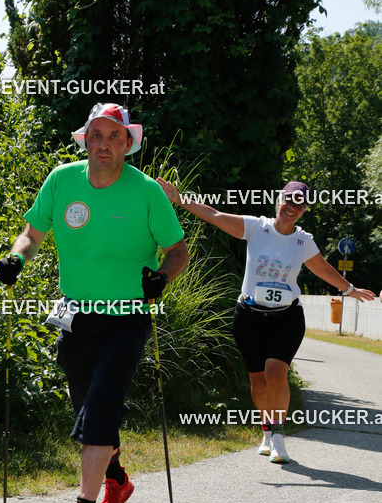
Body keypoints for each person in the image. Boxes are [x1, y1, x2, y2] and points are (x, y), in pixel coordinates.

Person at [0, 102, 188, 503]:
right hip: (77, 312)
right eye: (96, 136)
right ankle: (117, 478)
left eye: (113, 137)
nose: (103, 144)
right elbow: (32, 233)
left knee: (102, 402)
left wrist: (162, 277)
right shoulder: (63, 180)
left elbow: (177, 249)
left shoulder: (145, 191)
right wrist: (16, 258)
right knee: (86, 403)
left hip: (129, 315)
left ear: (128, 143)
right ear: (86, 140)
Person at [157, 177, 375, 462]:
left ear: (304, 210)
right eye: (288, 200)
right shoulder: (256, 228)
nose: (292, 207)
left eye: (299, 204)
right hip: (249, 316)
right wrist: (179, 199)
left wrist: (350, 290)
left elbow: (323, 269)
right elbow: (215, 215)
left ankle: (280, 437)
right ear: (278, 201)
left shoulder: (303, 241)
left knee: (276, 374)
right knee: (258, 381)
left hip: (287, 318)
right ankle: (266, 431)